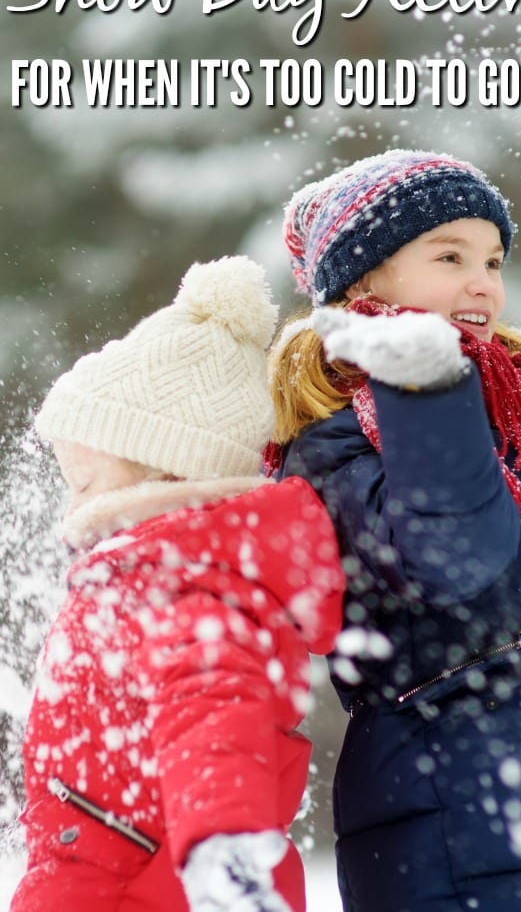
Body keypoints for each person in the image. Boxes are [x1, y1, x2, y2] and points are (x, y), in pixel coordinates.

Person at [267, 149, 521, 912]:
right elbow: (452, 554)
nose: (483, 282)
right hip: (466, 841)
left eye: (492, 261)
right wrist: (423, 386)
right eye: (449, 257)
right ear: (363, 283)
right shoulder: (336, 447)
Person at [11, 255, 345, 912]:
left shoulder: (186, 586)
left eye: (84, 480)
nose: (71, 502)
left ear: (168, 471)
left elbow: (214, 714)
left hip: (146, 889)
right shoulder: (151, 574)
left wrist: (224, 846)